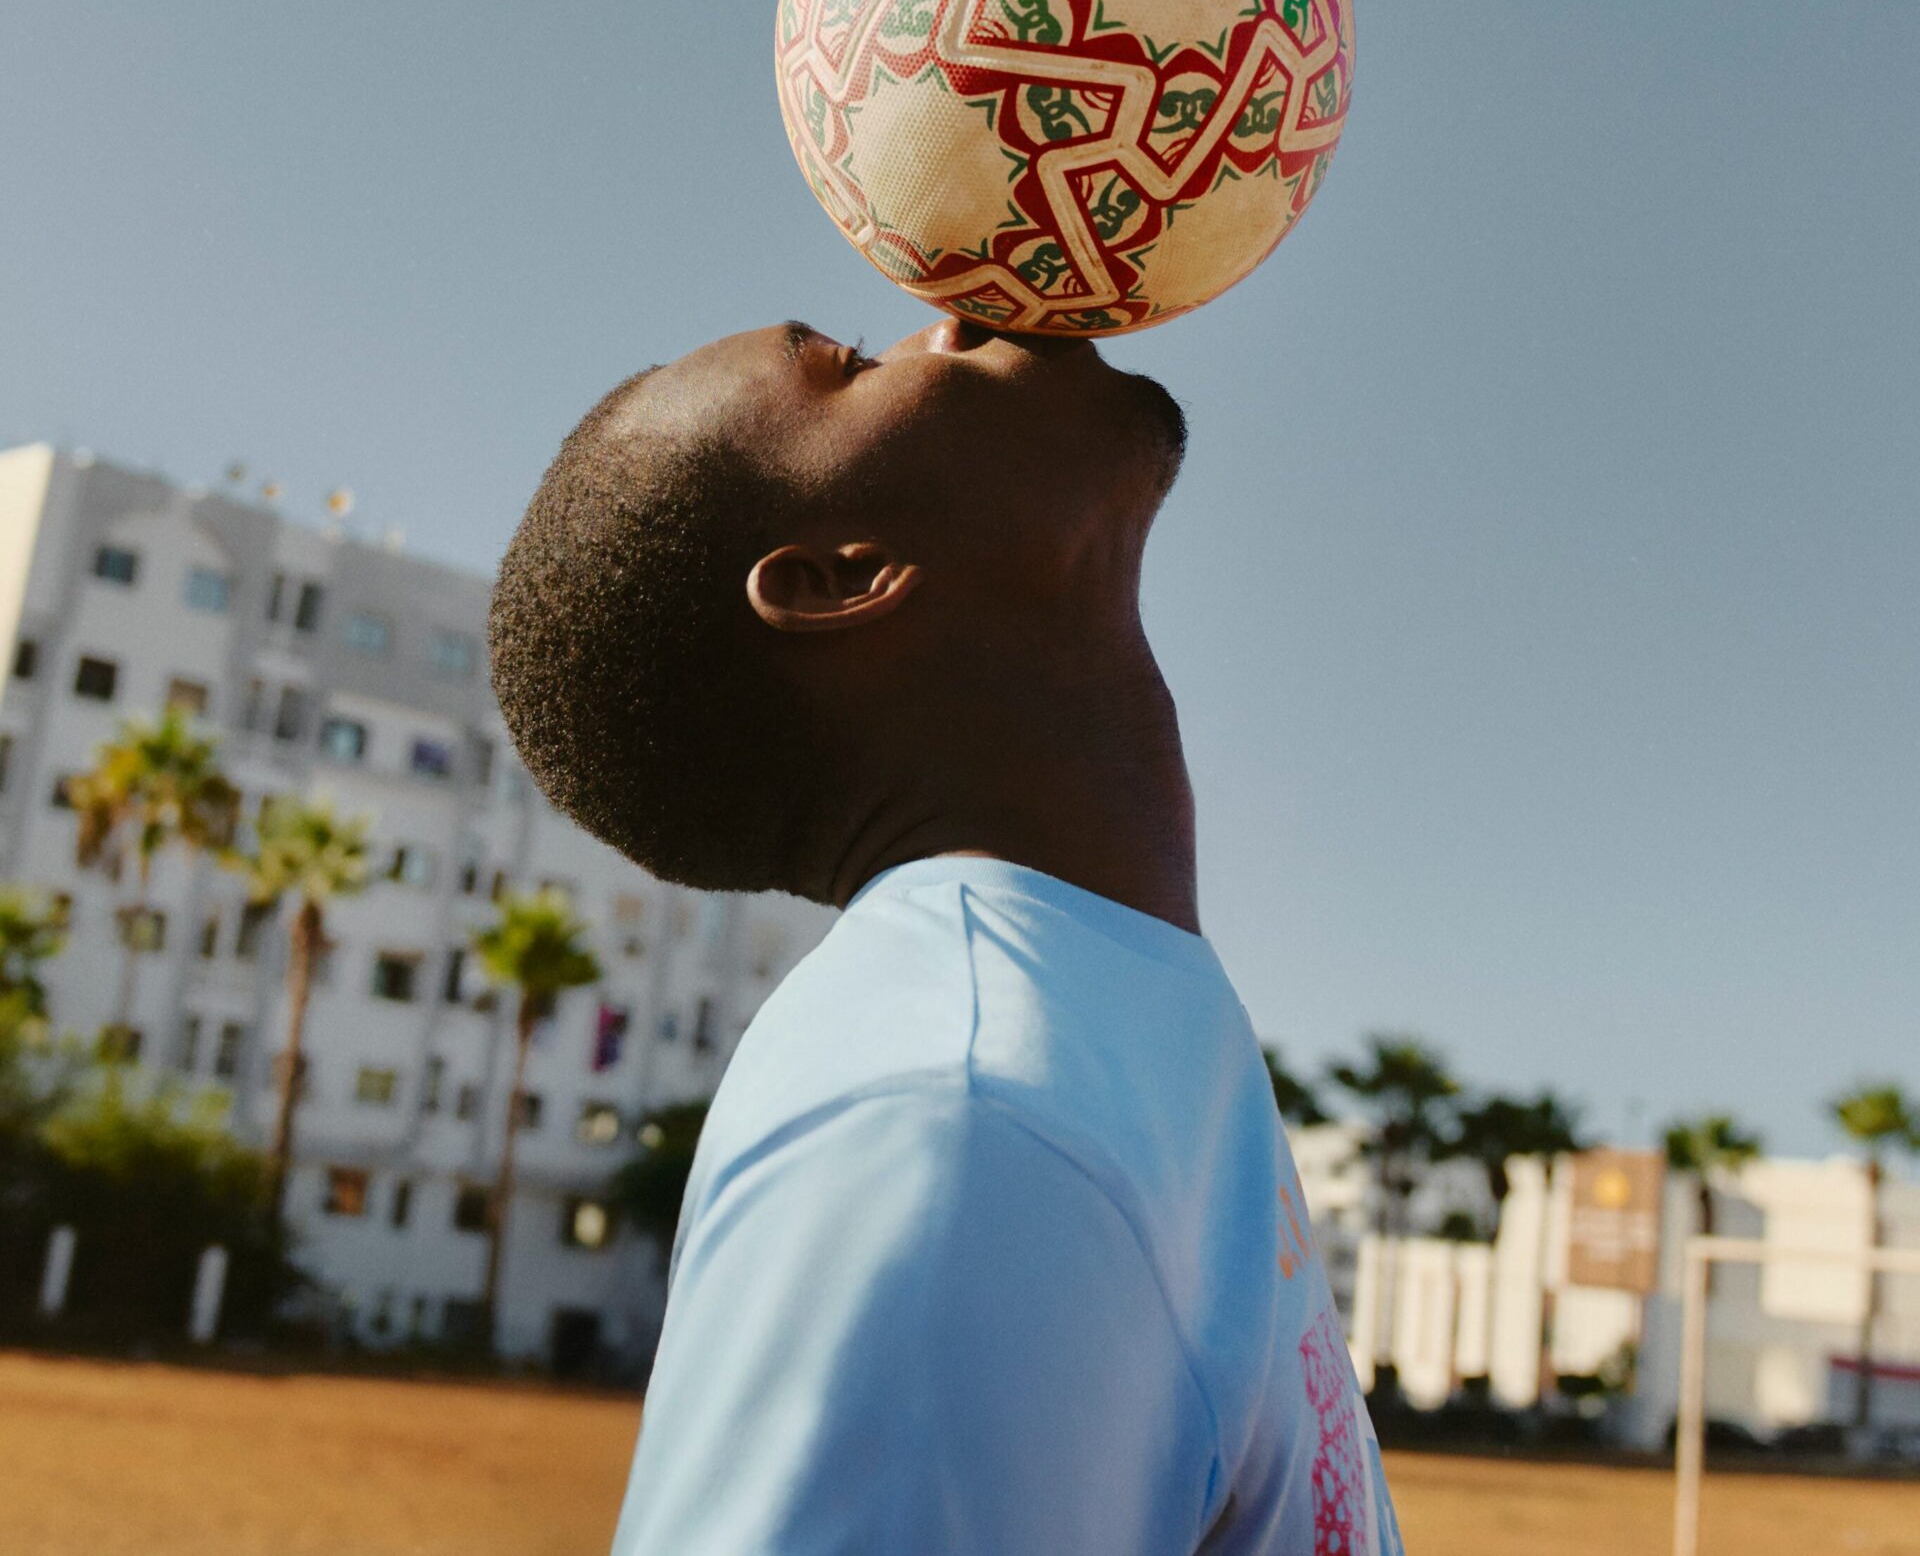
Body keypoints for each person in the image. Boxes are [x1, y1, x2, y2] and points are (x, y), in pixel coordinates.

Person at [489, 314, 1404, 1555]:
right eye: (854, 364)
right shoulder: (958, 1123)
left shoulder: (1073, 1035)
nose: (957, 310)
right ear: (844, 577)